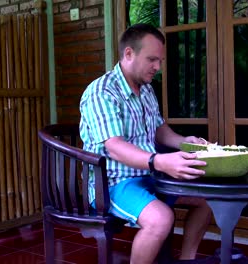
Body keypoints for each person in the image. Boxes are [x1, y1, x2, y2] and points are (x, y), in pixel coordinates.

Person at [79, 23, 212, 264]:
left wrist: (184, 142)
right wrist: (159, 161)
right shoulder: (101, 92)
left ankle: (187, 260)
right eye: (152, 59)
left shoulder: (146, 89)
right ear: (129, 53)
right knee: (161, 219)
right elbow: (114, 147)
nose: (158, 67)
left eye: (160, 60)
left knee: (205, 198)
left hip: (150, 175)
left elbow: (159, 129)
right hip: (112, 183)